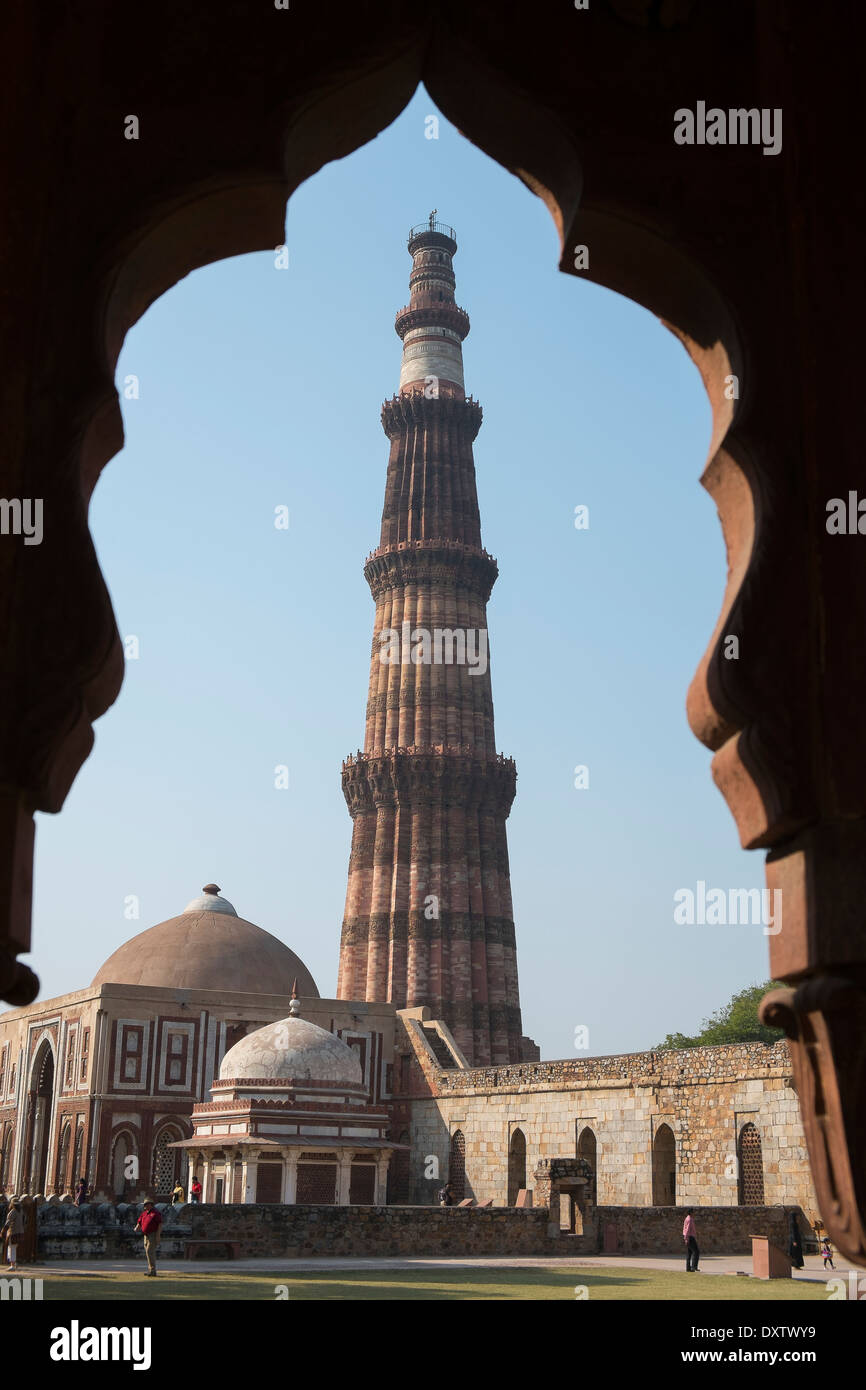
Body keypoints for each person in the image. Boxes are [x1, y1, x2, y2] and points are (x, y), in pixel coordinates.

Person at [134, 1200, 163, 1277]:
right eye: (145, 1205)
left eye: (147, 1204)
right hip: (145, 1235)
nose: (145, 1206)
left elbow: (160, 1224)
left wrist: (158, 1235)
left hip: (153, 1234)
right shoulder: (144, 1213)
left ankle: (153, 1271)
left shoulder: (155, 1213)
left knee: (150, 1251)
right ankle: (150, 1270)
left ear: (151, 1205)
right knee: (148, 1252)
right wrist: (137, 1227)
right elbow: (139, 1222)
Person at [1, 1199, 25, 1271]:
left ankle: (12, 1265)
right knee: (14, 1248)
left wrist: (3, 1231)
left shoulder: (13, 1212)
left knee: (12, 1248)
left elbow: (8, 1223)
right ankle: (14, 1263)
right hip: (20, 1232)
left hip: (13, 1232)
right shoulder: (21, 1211)